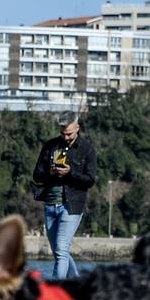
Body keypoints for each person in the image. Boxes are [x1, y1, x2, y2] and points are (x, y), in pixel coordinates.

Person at [32, 111, 97, 279]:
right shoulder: (50, 146)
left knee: (61, 250)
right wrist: (51, 172)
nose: (66, 137)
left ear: (77, 128)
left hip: (71, 206)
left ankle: (56, 289)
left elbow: (90, 180)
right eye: (62, 133)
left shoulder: (87, 150)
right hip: (50, 204)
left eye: (69, 133)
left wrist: (70, 173)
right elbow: (37, 175)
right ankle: (76, 285)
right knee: (60, 252)